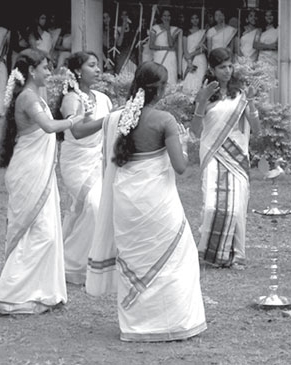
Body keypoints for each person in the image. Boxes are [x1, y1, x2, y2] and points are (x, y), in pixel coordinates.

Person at [111, 61, 206, 341]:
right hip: (156, 201)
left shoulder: (122, 117)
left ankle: (139, 323)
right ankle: (173, 322)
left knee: (137, 258)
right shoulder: (164, 120)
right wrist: (186, 145)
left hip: (127, 199)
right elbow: (180, 166)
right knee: (179, 255)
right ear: (161, 89)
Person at [0, 48, 83, 314]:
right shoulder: (28, 97)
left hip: (39, 172)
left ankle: (41, 293)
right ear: (32, 70)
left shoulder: (33, 95)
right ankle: (11, 295)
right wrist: (74, 119)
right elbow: (49, 127)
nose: (49, 72)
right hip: (29, 171)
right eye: (45, 67)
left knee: (47, 233)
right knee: (41, 233)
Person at [191, 48, 261, 269]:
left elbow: (256, 130)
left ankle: (236, 255)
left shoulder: (240, 95)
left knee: (237, 209)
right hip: (213, 154)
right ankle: (211, 254)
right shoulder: (205, 94)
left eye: (230, 66)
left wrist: (250, 102)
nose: (227, 71)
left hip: (237, 157)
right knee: (213, 206)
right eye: (222, 67)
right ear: (212, 69)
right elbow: (195, 131)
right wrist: (201, 102)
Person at [59, 51, 113, 285]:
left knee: (96, 208)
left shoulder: (103, 98)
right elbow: (78, 132)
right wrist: (109, 120)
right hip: (76, 161)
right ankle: (71, 265)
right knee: (91, 205)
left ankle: (92, 261)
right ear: (79, 71)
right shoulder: (71, 99)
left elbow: (110, 132)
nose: (98, 69)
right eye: (92, 65)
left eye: (98, 65)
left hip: (99, 159)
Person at [150, 9, 181, 85]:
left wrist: (168, 30)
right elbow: (151, 45)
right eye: (164, 15)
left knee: (170, 78)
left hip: (170, 57)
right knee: (158, 77)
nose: (166, 18)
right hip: (159, 56)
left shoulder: (175, 29)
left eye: (168, 16)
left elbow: (171, 44)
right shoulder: (155, 28)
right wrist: (164, 48)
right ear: (161, 17)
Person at [182, 12, 207, 94]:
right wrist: (189, 61)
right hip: (187, 60)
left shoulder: (203, 32)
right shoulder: (186, 32)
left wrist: (191, 54)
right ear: (189, 20)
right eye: (192, 18)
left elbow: (203, 49)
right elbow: (185, 51)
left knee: (199, 80)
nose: (195, 20)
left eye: (196, 18)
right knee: (188, 82)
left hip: (200, 59)